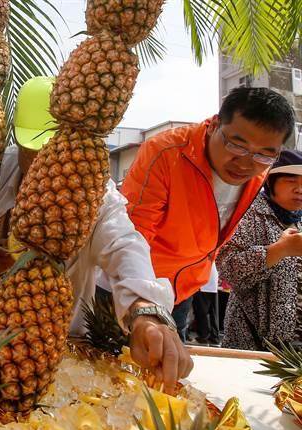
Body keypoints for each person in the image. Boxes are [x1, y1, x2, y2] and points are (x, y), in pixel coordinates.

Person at [0, 76, 193, 394]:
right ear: (16, 140)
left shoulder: (94, 190)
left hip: (58, 346)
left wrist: (144, 310)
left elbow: (123, 243)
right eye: (33, 150)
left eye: (56, 152)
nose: (45, 163)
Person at [121, 87, 296, 337]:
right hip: (133, 286)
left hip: (185, 290)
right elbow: (133, 237)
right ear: (215, 124)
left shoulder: (260, 169)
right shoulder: (165, 153)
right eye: (237, 146)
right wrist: (142, 307)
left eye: (264, 155)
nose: (246, 164)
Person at [217, 150, 302, 350]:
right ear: (270, 182)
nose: (300, 189)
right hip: (253, 344)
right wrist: (280, 250)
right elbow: (228, 269)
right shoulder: (249, 212)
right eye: (291, 181)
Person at [191, 263, 220, 345]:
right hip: (211, 284)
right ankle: (214, 336)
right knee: (212, 312)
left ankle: (204, 336)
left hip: (203, 283)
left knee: (201, 312)